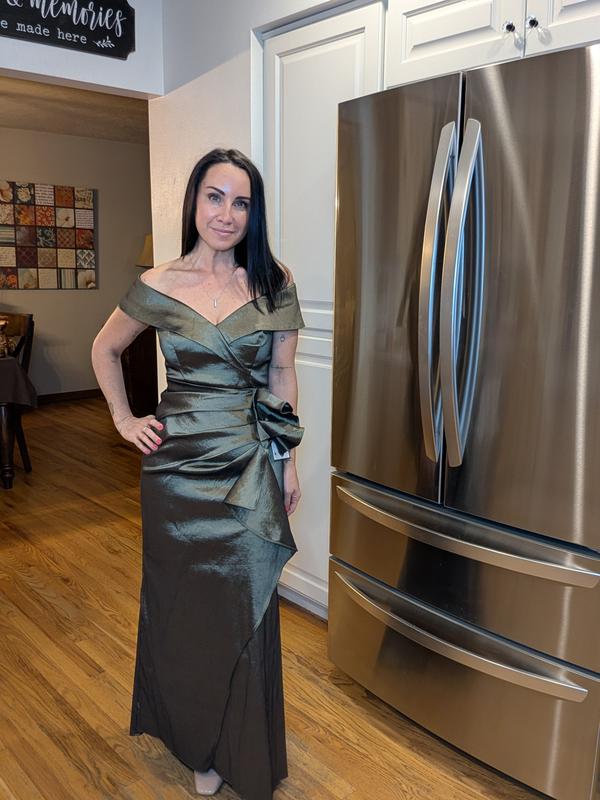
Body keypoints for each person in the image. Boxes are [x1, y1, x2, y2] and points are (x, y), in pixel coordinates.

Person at [91, 148, 306, 799]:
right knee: (183, 608)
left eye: (241, 202)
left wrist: (288, 459)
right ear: (194, 202)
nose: (226, 214)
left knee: (245, 603)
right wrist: (124, 419)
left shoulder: (273, 281)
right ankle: (198, 744)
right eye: (215, 197)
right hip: (177, 474)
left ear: (253, 212)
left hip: (248, 466)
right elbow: (105, 348)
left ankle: (241, 743)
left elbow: (281, 374)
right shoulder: (159, 282)